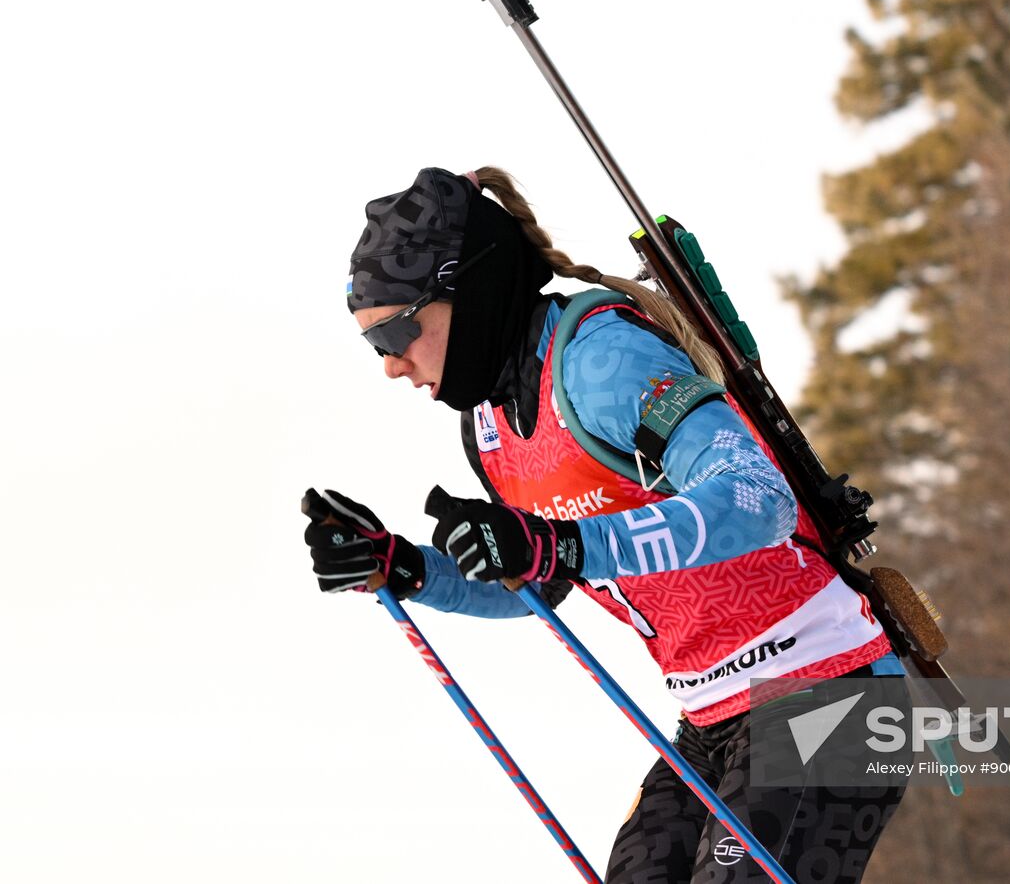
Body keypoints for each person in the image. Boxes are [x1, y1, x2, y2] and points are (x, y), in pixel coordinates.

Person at [303, 166, 907, 883]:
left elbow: (757, 496)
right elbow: (541, 582)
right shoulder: (491, 426)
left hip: (828, 687)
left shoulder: (602, 361)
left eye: (398, 332)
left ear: (470, 288)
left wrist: (558, 545)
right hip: (708, 719)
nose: (391, 365)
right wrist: (404, 569)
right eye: (375, 346)